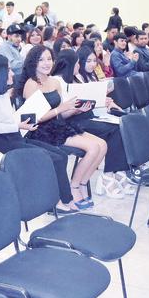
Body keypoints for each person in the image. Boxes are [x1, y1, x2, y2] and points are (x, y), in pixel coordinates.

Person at [0, 54, 78, 213]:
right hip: (3, 142)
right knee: (53, 159)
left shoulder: (3, 93)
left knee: (61, 156)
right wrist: (17, 125)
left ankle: (65, 198)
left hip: (14, 137)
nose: (12, 73)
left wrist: (20, 123)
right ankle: (58, 201)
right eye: (8, 70)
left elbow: (8, 119)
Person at [18, 46, 108, 208]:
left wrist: (76, 109)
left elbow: (62, 114)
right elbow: (34, 118)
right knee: (93, 147)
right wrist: (60, 109)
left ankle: (82, 183)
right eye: (41, 60)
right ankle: (74, 187)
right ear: (33, 63)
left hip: (58, 125)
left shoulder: (54, 81)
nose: (47, 63)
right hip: (40, 130)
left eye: (49, 59)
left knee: (102, 145)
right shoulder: (31, 84)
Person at [52, 50, 132, 198]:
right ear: (70, 65)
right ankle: (108, 175)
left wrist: (100, 100)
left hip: (85, 115)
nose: (79, 66)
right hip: (72, 122)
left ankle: (118, 171)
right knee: (113, 130)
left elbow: (86, 100)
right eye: (77, 64)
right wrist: (78, 108)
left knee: (121, 124)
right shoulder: (58, 81)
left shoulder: (76, 77)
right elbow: (62, 113)